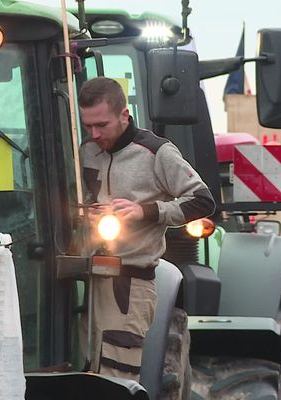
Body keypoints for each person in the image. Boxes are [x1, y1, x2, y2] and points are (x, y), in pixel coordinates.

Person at [77, 77, 215, 381]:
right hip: (84, 279)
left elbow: (203, 201)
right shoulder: (86, 150)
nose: (94, 134)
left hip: (129, 281)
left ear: (125, 115)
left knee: (117, 376)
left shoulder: (157, 152)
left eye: (102, 124)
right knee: (82, 372)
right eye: (88, 126)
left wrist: (146, 211)